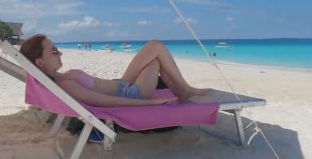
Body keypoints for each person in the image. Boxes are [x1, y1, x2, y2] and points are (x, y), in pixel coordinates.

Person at [19, 34, 210, 107]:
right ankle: (185, 90)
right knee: (156, 51)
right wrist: (151, 103)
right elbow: (105, 101)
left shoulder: (63, 78)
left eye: (57, 48)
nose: (59, 53)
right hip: (134, 94)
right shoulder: (65, 84)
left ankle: (183, 90)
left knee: (154, 47)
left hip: (122, 83)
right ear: (40, 63)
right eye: (53, 51)